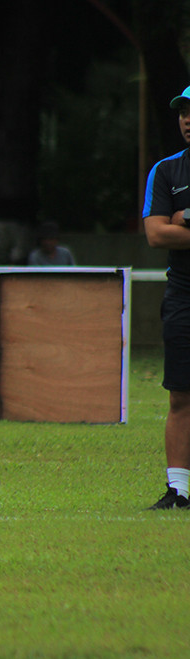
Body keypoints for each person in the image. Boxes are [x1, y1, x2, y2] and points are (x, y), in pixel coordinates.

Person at [143, 84, 190, 510]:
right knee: (180, 394)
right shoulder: (166, 171)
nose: (188, 119)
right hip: (184, 295)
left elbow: (174, 227)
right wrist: (174, 222)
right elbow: (157, 233)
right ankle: (179, 491)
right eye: (183, 111)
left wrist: (185, 220)